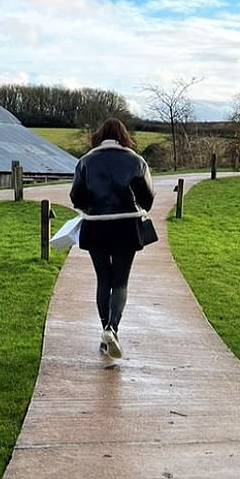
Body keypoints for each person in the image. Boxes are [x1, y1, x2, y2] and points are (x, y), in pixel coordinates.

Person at [70, 117, 154, 362]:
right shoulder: (136, 161)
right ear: (124, 137)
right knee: (120, 282)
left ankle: (105, 330)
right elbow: (147, 197)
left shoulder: (85, 161)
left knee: (102, 280)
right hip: (126, 226)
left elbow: (76, 196)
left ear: (99, 136)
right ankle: (112, 330)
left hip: (95, 227)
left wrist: (93, 206)